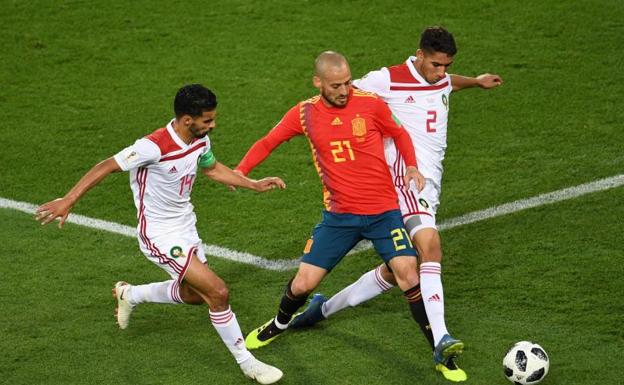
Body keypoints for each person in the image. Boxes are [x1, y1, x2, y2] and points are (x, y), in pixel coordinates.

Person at [289, 27, 503, 382]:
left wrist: (476, 82)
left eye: (447, 66)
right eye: (435, 65)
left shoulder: (441, 77)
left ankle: (321, 309)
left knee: (399, 270)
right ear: (418, 54)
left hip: (430, 183)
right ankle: (441, 337)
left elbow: (447, 83)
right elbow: (342, 93)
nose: (441, 72)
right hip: (404, 178)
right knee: (430, 247)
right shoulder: (386, 80)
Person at [35, 84, 285, 385]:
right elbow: (105, 166)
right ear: (187, 119)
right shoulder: (152, 146)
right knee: (218, 292)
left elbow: (212, 168)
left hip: (186, 226)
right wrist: (68, 199)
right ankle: (248, 363)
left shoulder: (199, 139)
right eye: (207, 120)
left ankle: (131, 294)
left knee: (196, 296)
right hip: (159, 234)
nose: (213, 125)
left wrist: (253, 184)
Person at [236, 51, 463, 373]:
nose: (344, 91)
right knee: (302, 285)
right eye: (336, 86)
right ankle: (279, 323)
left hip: (384, 214)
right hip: (339, 218)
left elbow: (399, 134)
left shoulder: (370, 104)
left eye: (346, 83)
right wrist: (242, 171)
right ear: (318, 82)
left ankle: (441, 354)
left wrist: (411, 166)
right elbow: (269, 141)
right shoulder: (304, 114)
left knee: (409, 274)